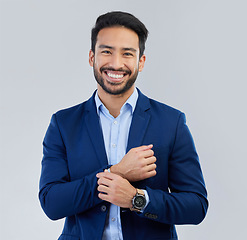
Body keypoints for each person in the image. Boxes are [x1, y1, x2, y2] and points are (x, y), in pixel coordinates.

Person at [39, 11, 208, 240]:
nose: (116, 64)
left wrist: (136, 199)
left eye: (127, 54)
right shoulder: (63, 124)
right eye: (106, 51)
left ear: (141, 61)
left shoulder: (171, 122)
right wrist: (116, 172)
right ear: (92, 58)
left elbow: (196, 205)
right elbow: (52, 203)